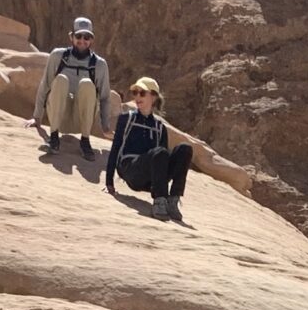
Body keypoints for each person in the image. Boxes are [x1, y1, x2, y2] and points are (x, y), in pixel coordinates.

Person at [105, 77, 193, 220]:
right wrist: (109, 182)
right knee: (160, 152)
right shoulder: (126, 119)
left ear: (154, 97)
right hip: (131, 171)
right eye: (135, 93)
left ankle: (172, 201)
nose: (137, 97)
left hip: (151, 177)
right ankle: (159, 201)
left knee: (185, 149)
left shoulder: (160, 127)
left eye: (142, 93)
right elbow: (115, 149)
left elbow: (163, 162)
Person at [33, 17, 113, 154]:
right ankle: (54, 139)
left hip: (81, 120)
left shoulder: (99, 64)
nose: (82, 40)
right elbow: (45, 84)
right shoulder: (57, 56)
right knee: (61, 79)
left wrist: (105, 127)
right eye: (79, 36)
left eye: (87, 37)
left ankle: (85, 141)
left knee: (87, 83)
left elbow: (105, 97)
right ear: (71, 37)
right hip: (59, 116)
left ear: (91, 40)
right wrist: (37, 117)